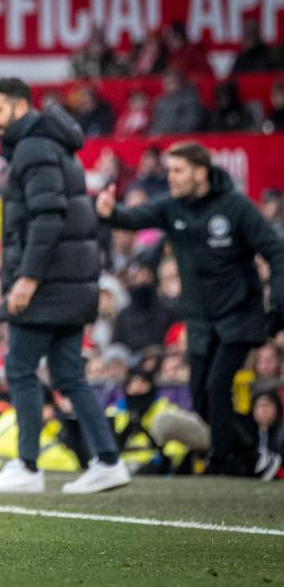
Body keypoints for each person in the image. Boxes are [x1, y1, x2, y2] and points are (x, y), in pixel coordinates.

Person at [0, 77, 129, 494]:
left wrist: (27, 278)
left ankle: (27, 466)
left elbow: (47, 217)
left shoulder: (34, 146)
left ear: (21, 107)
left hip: (50, 283)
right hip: (72, 282)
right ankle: (108, 460)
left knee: (20, 368)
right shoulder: (53, 144)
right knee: (68, 373)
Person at [96, 142, 284, 477]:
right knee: (200, 399)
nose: (171, 177)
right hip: (199, 321)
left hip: (238, 315)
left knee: (217, 385)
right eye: (169, 170)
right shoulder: (171, 207)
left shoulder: (236, 207)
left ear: (201, 171)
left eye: (178, 170)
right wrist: (110, 212)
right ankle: (251, 455)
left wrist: (278, 305)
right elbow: (133, 218)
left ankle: (223, 461)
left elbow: (276, 251)